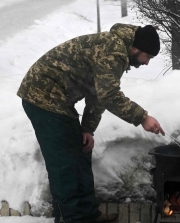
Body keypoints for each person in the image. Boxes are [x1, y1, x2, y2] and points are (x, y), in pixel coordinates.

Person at [18, 24, 165, 223]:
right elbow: (109, 96)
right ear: (136, 49)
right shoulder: (113, 50)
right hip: (42, 96)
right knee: (64, 164)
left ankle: (88, 215)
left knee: (81, 154)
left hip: (59, 100)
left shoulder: (119, 50)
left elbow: (97, 94)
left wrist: (87, 129)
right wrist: (142, 118)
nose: (147, 63)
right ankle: (70, 219)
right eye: (148, 57)